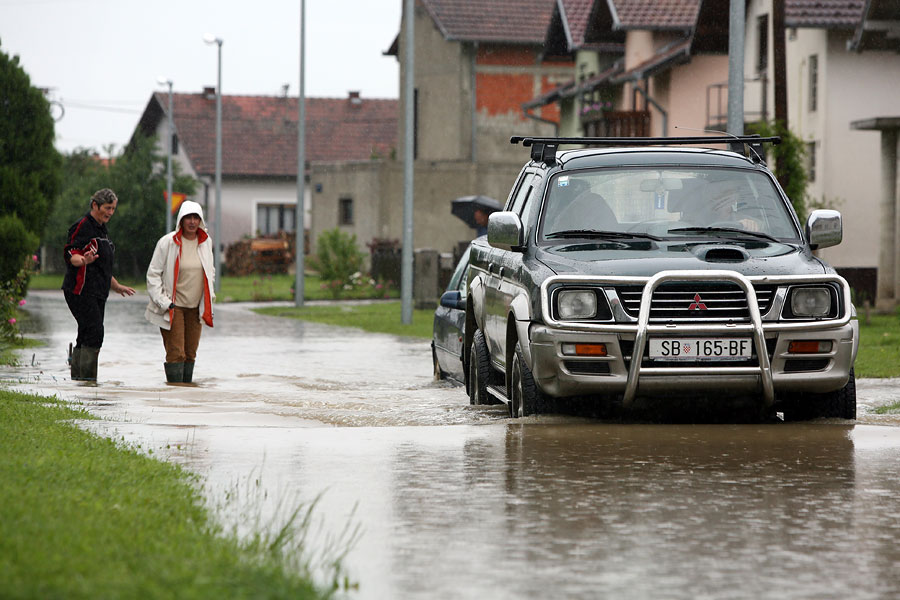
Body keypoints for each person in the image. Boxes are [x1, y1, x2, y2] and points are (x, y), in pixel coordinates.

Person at [62, 188, 136, 381]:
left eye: (113, 208)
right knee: (95, 331)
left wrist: (116, 285)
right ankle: (88, 382)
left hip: (98, 291)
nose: (110, 212)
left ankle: (79, 382)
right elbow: (72, 255)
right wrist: (83, 260)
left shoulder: (102, 230)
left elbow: (102, 268)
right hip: (79, 289)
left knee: (86, 332)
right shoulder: (82, 226)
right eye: (107, 208)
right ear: (95, 205)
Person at [145, 200, 216, 384]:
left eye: (196, 218)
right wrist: (163, 301)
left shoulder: (206, 243)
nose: (192, 222)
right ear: (181, 221)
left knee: (190, 353)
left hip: (195, 308)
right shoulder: (167, 243)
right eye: (188, 218)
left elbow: (210, 271)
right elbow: (153, 275)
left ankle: (187, 397)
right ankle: (174, 399)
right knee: (177, 353)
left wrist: (209, 296)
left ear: (200, 221)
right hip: (173, 307)